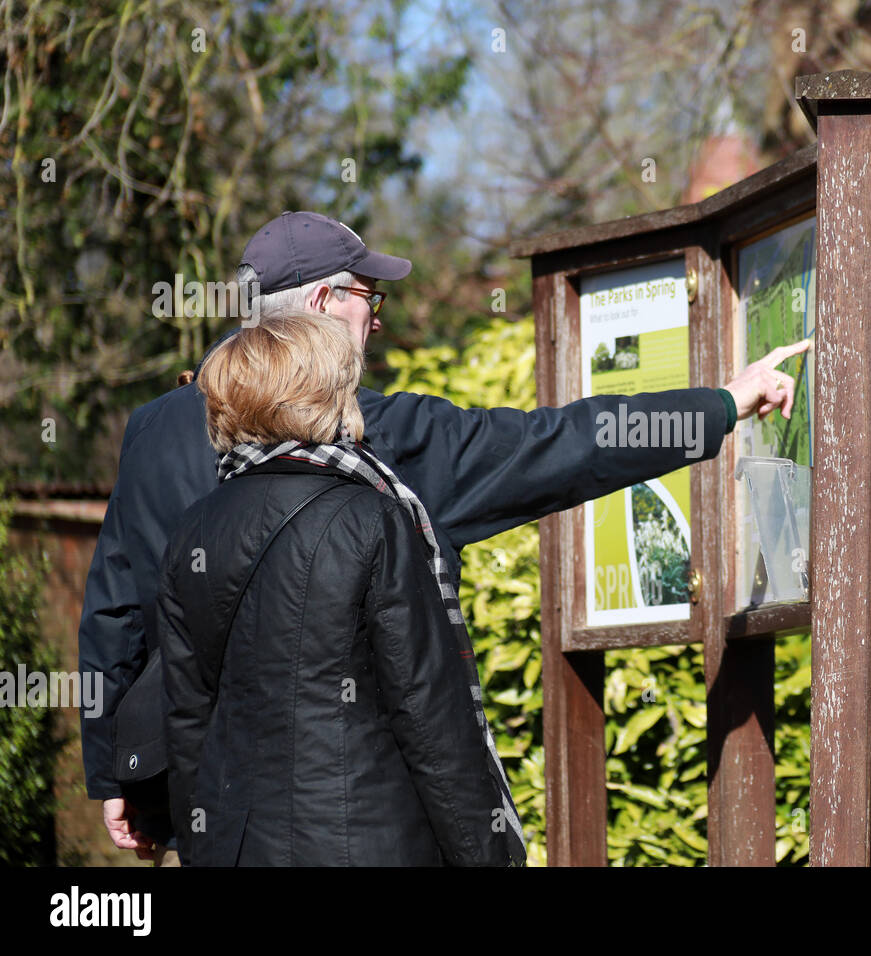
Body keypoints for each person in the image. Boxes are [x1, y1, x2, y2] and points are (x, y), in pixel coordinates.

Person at [77, 210, 808, 865]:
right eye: (370, 296)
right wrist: (719, 404)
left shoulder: (152, 430)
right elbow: (553, 447)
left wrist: (115, 773)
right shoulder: (370, 439)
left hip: (212, 819)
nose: (379, 320)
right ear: (326, 304)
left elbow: (115, 609)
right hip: (359, 819)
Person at [160, 310, 526, 865]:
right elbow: (428, 712)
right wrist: (489, 853)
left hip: (234, 845)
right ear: (326, 395)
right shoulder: (372, 516)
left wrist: (198, 846)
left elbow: (188, 719)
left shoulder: (193, 529)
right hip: (367, 840)